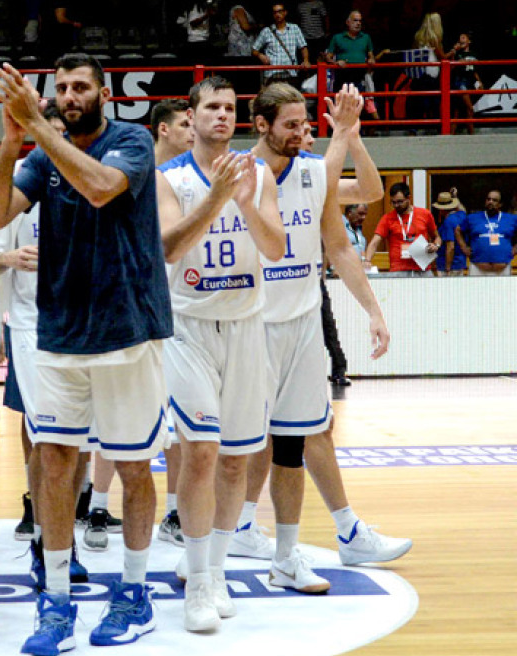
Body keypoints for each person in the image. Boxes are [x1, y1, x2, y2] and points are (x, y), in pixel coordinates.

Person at [0, 54, 174, 651]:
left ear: (103, 91)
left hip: (127, 329)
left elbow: (99, 188)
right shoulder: (39, 154)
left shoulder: (133, 140)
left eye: (79, 87)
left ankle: (136, 592)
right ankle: (59, 599)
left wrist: (38, 129)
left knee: (134, 466)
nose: (69, 96)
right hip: (61, 331)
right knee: (56, 463)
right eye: (60, 88)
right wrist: (11, 142)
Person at [245, 83, 396, 592]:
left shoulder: (313, 171)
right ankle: (219, 541)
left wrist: (374, 311)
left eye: (307, 124)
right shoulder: (240, 174)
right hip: (248, 326)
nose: (302, 133)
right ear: (262, 124)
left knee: (297, 439)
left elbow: (344, 242)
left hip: (304, 323)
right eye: (292, 124)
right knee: (237, 446)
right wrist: (341, 134)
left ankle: (292, 550)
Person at [156, 75, 285, 632]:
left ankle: (213, 566)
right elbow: (167, 246)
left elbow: (277, 248)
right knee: (201, 452)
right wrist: (214, 200)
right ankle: (200, 586)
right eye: (211, 107)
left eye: (231, 108)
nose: (222, 115)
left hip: (245, 325)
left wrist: (244, 204)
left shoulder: (257, 175)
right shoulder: (168, 177)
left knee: (236, 458)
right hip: (187, 326)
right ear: (191, 116)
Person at [0, 100, 108, 564]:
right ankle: (48, 538)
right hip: (33, 325)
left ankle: (62, 524)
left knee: (77, 442)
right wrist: (10, 261)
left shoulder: (96, 174)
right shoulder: (22, 178)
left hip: (90, 326)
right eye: (47, 129)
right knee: (47, 437)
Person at [150, 97, 193, 548]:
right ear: (164, 130)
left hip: (183, 308)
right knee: (128, 422)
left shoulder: (190, 178)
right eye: (184, 124)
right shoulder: (136, 172)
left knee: (183, 422)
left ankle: (176, 512)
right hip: (141, 308)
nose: (192, 130)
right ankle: (97, 503)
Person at [363, 182, 440, 276]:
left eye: (400, 202)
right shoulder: (387, 218)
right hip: (398, 270)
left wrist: (436, 245)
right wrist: (367, 260)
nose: (396, 205)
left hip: (422, 268)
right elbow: (375, 242)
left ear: (409, 198)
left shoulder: (425, 214)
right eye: (393, 202)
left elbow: (437, 237)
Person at [457, 189, 517, 276]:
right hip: (478, 268)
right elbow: (457, 230)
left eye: (494, 200)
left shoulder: (511, 219)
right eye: (488, 199)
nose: (490, 202)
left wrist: (515, 249)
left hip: (502, 268)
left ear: (500, 204)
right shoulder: (473, 218)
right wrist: (464, 248)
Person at [252, 4, 309, 85]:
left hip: (290, 73)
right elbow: (254, 50)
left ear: (285, 13)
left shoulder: (294, 28)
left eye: (280, 11)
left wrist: (306, 60)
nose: (277, 14)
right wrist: (260, 55)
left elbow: (303, 47)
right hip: (272, 74)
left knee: (290, 97)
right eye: (275, 12)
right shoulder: (266, 31)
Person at [432, 191, 468, 276]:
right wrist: (455, 197)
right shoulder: (461, 215)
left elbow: (450, 246)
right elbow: (462, 208)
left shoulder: (448, 221)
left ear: (441, 209)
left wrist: (448, 267)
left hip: (449, 265)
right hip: (460, 262)